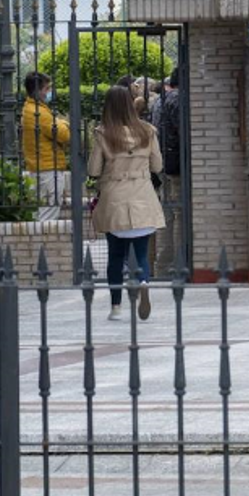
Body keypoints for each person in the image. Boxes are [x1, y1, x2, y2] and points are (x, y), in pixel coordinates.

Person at [89, 85, 166, 322]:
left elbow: (93, 170)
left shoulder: (103, 133)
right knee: (142, 253)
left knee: (115, 255)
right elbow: (158, 166)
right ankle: (143, 282)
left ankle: (115, 307)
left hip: (115, 199)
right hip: (142, 196)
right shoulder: (148, 131)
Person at [21, 71, 71, 221]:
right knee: (48, 215)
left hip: (40, 168)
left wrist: (58, 122)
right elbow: (64, 135)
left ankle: (39, 242)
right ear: (38, 91)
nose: (49, 92)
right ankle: (41, 243)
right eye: (47, 88)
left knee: (40, 211)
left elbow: (54, 125)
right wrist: (64, 122)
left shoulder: (31, 108)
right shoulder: (39, 113)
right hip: (49, 170)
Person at [154, 69, 182, 277]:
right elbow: (183, 132)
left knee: (166, 214)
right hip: (176, 166)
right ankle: (178, 264)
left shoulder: (159, 101)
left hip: (162, 162)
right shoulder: (178, 100)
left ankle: (162, 265)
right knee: (179, 213)